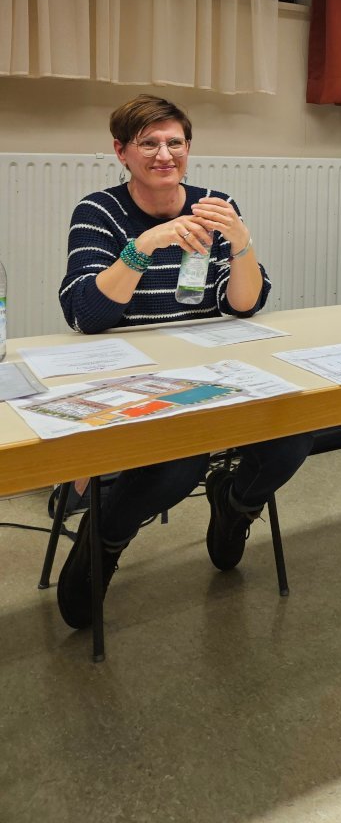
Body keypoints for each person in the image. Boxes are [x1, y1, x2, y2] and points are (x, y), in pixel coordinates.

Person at [55, 94, 314, 629]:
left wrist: (242, 245)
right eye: (148, 143)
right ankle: (104, 540)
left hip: (208, 366)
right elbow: (87, 314)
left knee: (294, 430)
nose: (164, 154)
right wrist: (144, 246)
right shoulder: (98, 212)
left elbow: (242, 305)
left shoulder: (214, 204)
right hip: (129, 371)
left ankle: (235, 505)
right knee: (180, 461)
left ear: (189, 148)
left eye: (175, 142)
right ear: (121, 152)